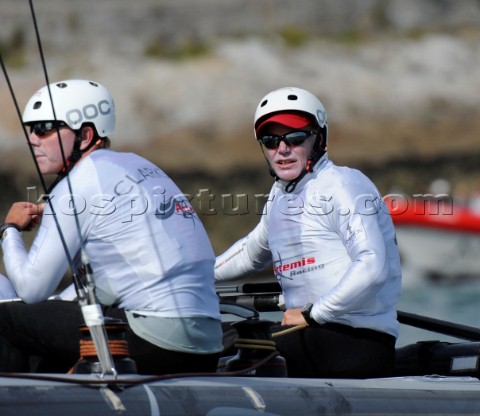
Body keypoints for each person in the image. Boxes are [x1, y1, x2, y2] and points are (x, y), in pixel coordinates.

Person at [0, 79, 223, 374]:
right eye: (31, 129)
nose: (32, 139)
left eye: (44, 128)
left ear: (86, 134)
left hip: (154, 340)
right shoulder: (137, 166)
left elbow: (31, 290)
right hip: (207, 342)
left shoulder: (76, 186)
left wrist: (10, 230)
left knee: (6, 319)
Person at [215, 87, 402, 378]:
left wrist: (313, 313)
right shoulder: (280, 195)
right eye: (270, 141)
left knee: (223, 344)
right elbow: (251, 253)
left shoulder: (342, 184)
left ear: (319, 140)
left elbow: (372, 266)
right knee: (217, 338)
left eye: (295, 138)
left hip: (356, 340)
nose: (282, 149)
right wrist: (195, 274)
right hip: (310, 334)